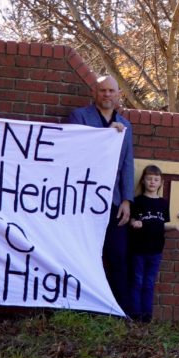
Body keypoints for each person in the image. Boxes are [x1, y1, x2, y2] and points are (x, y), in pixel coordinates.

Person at [67, 75, 135, 316]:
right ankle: (79, 309)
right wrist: (107, 133)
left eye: (111, 91)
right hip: (84, 199)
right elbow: (77, 147)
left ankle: (120, 310)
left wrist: (127, 200)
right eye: (102, 90)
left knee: (118, 255)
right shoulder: (79, 116)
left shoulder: (126, 125)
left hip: (114, 201)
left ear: (118, 95)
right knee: (83, 254)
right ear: (95, 93)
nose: (107, 95)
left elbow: (127, 164)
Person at [128, 165, 179, 323]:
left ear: (161, 182)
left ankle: (146, 316)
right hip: (138, 249)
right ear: (143, 181)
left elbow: (162, 226)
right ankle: (135, 314)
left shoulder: (163, 203)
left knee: (148, 283)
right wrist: (134, 223)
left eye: (156, 180)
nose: (152, 182)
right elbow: (132, 220)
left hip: (156, 250)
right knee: (137, 281)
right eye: (149, 179)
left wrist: (174, 227)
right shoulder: (137, 201)